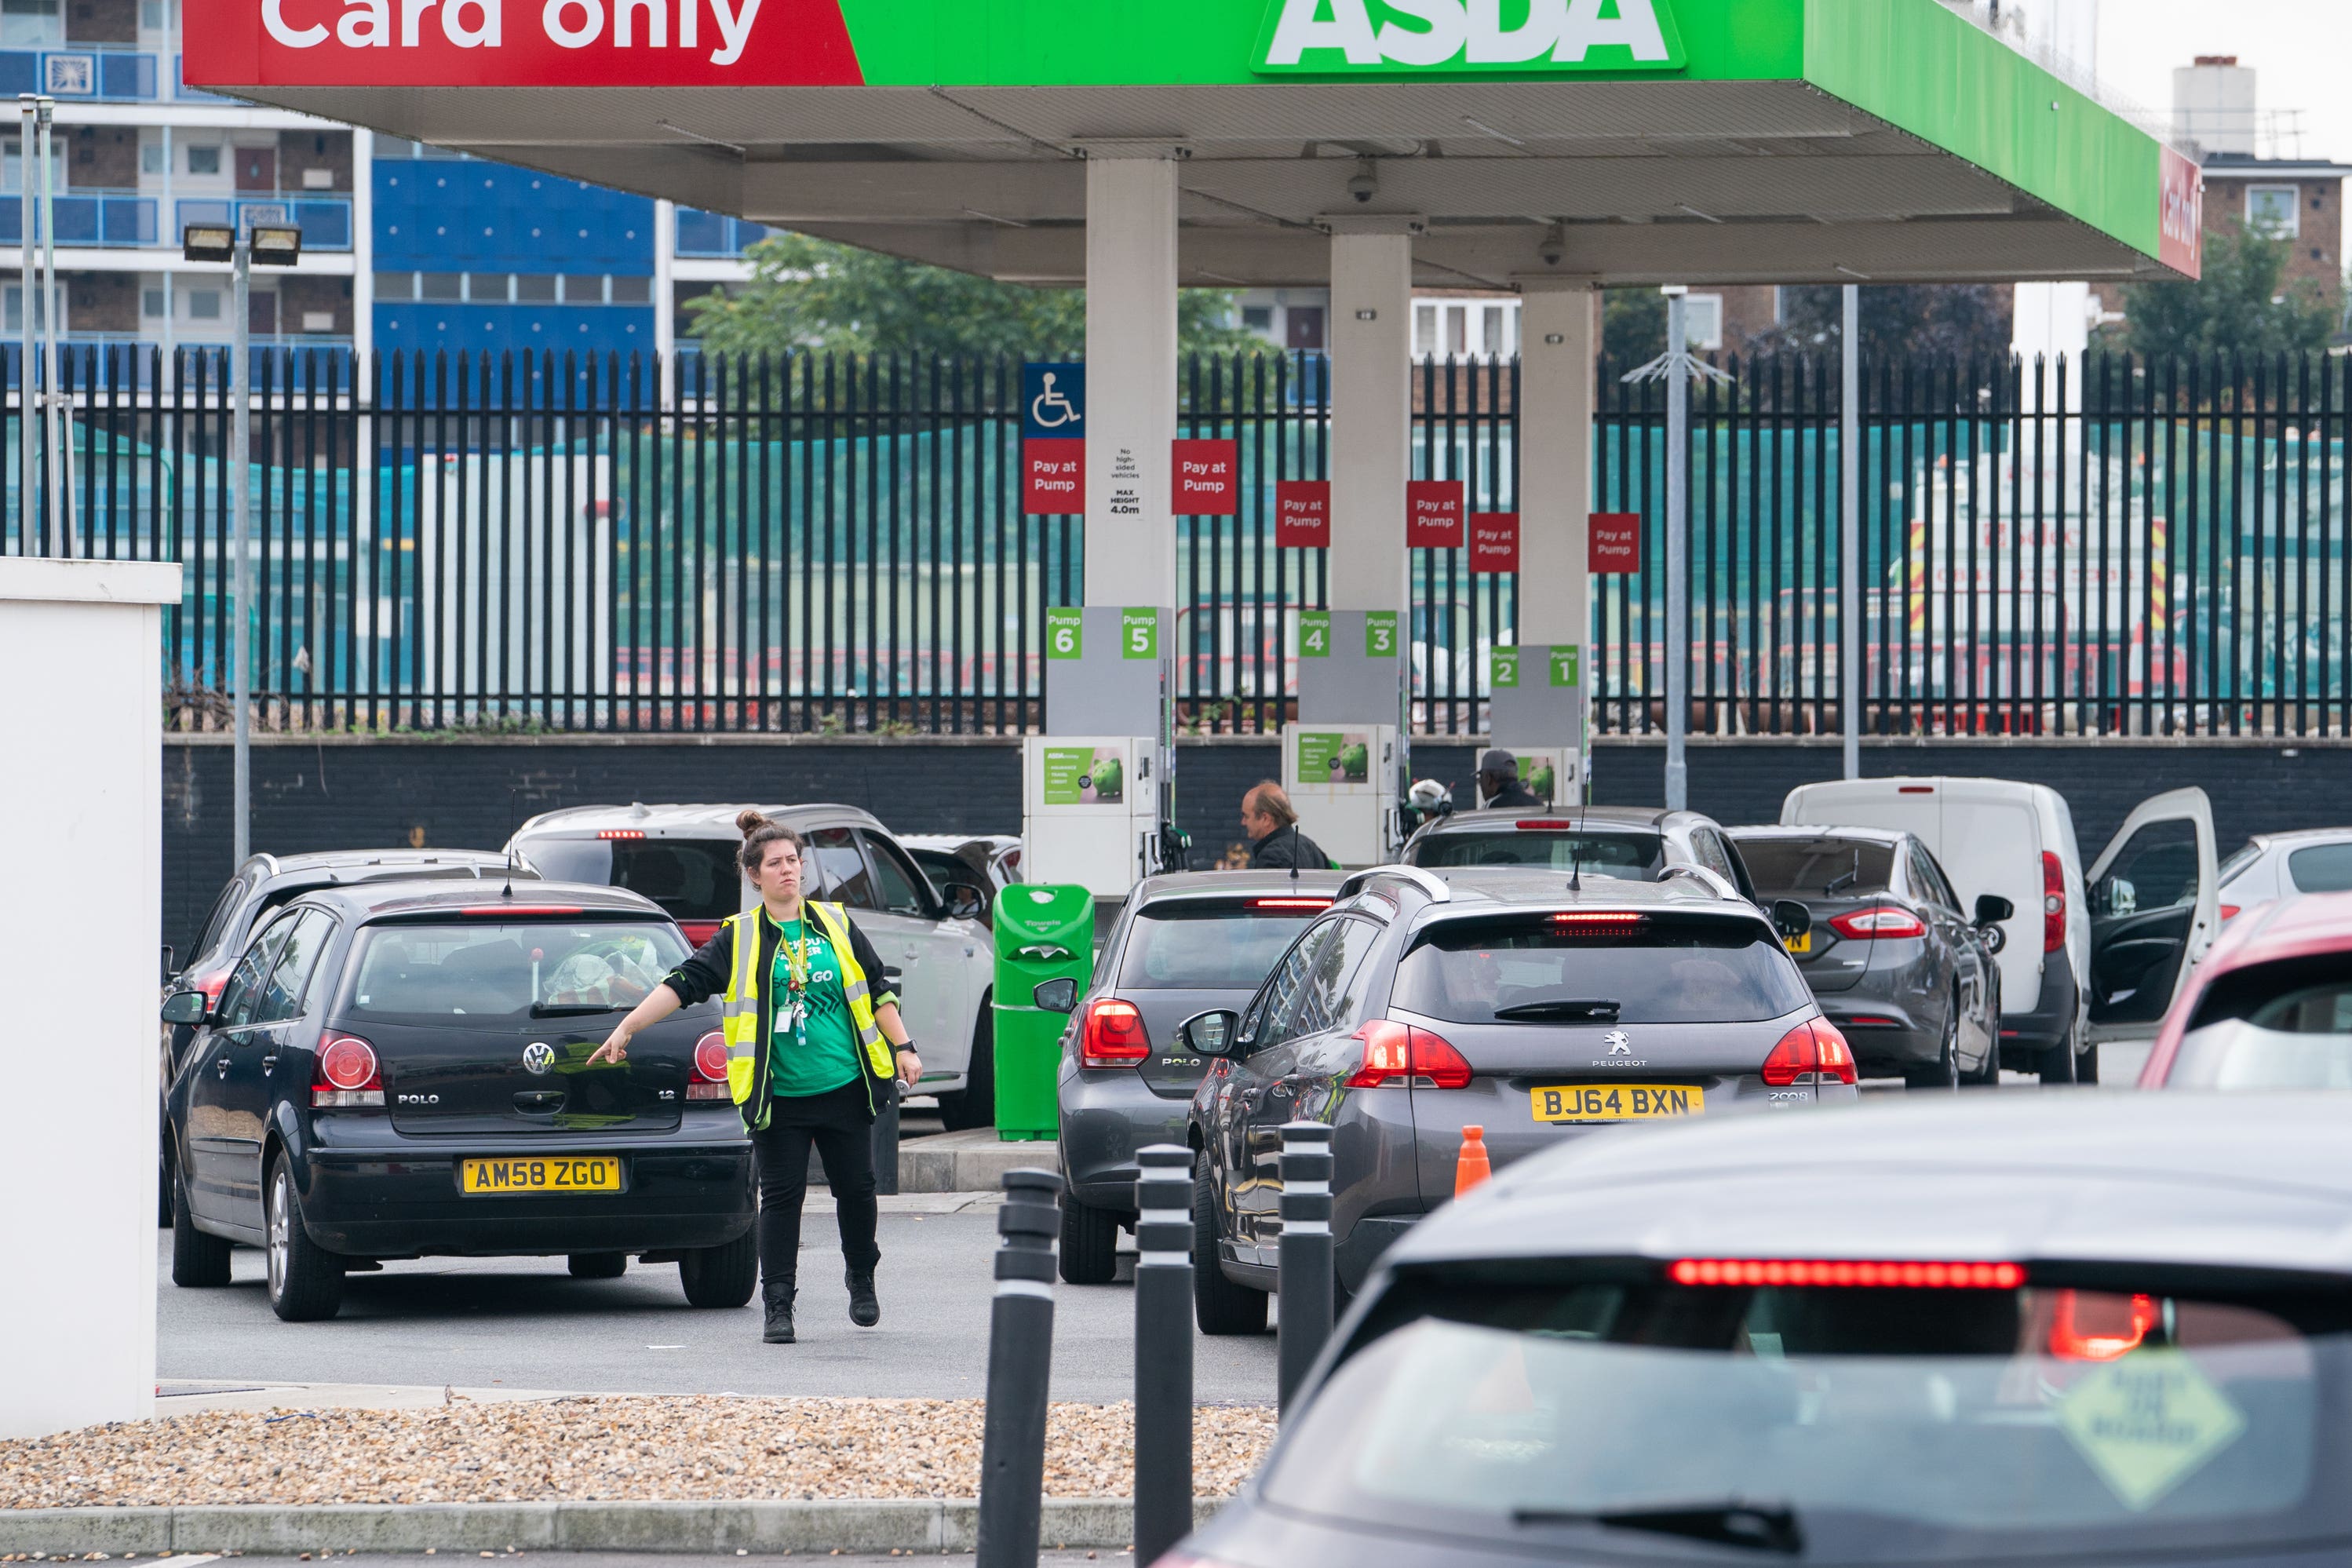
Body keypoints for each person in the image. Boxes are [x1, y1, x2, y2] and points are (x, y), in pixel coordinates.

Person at [586, 811, 921, 1346]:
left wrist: (903, 1046)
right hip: (778, 1095)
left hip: (844, 1085)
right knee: (782, 1199)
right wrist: (628, 1026)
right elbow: (684, 983)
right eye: (775, 863)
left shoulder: (834, 924)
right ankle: (778, 1304)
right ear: (754, 875)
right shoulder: (738, 937)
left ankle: (861, 1277)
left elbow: (877, 989)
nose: (788, 870)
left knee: (856, 1190)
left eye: (793, 861)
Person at [1242, 781, 1333, 871]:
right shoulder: (1311, 847)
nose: (1243, 822)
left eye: (1246, 816)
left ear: (1266, 819)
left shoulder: (1271, 856)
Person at [1476, 748, 1544, 811]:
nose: (1481, 786)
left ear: (1489, 779)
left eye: (1481, 780)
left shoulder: (1490, 807)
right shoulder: (1538, 804)